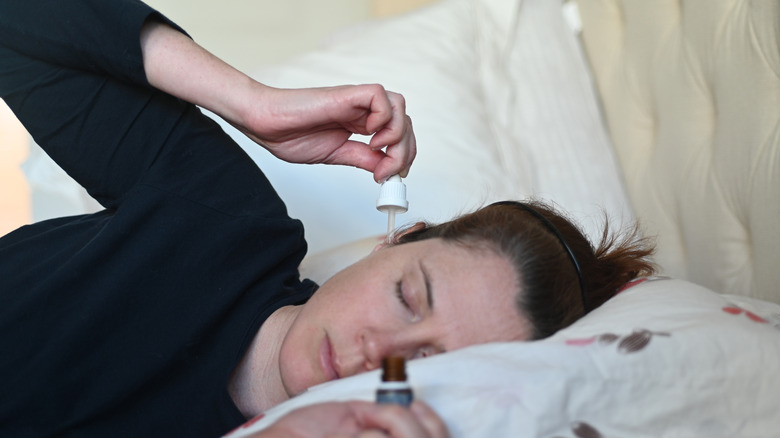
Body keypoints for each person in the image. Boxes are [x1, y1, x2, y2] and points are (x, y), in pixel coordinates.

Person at [0, 0, 655, 437]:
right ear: (392, 242)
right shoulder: (222, 216)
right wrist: (248, 101)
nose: (381, 353)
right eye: (407, 297)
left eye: (427, 360)